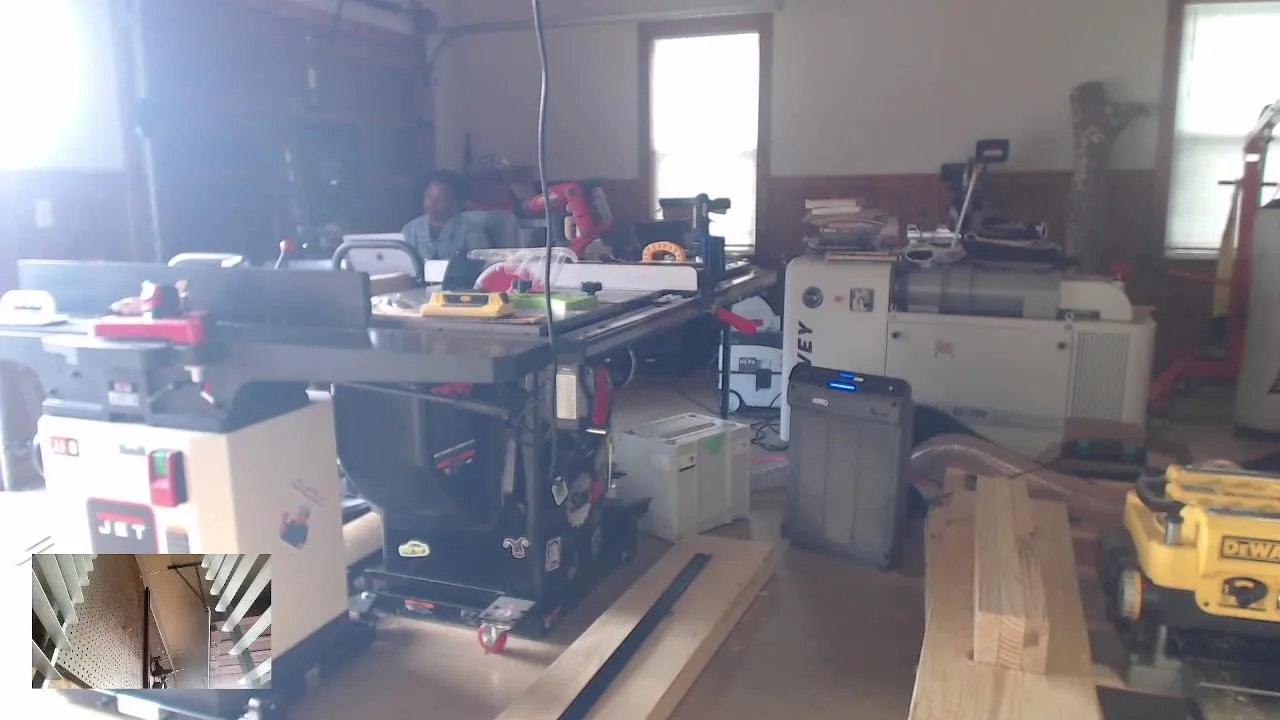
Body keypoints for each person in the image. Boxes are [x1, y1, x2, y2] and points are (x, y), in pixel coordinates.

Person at [401, 170, 490, 260]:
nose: (432, 203)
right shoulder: (410, 230)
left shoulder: (472, 230)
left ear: (453, 202)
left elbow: (484, 264)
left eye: (439, 198)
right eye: (429, 196)